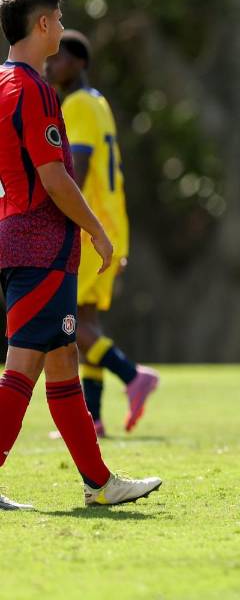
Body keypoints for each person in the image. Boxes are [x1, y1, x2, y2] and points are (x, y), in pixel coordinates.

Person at [0, 0, 161, 510]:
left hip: (17, 238)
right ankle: (98, 482)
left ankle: (99, 482)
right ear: (42, 25)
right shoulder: (37, 90)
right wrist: (95, 227)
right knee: (24, 364)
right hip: (41, 243)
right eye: (59, 19)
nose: (63, 28)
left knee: (63, 358)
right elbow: (54, 177)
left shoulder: (1, 83)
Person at [44, 31, 159, 437]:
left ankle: (133, 376)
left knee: (69, 324)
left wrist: (60, 210)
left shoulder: (76, 105)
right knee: (86, 319)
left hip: (92, 227)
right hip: (112, 222)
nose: (50, 66)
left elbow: (80, 166)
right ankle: (93, 418)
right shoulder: (100, 103)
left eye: (57, 60)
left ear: (77, 63)